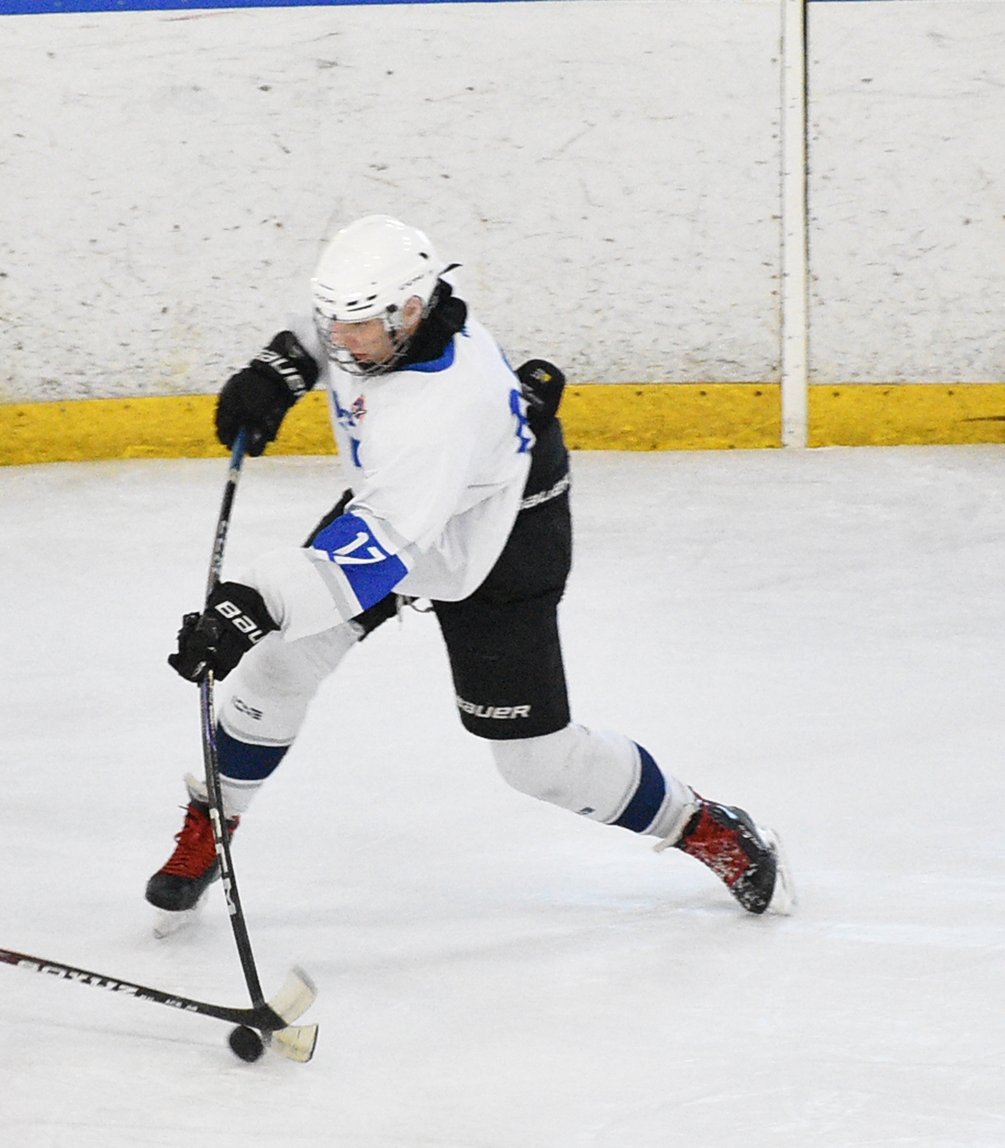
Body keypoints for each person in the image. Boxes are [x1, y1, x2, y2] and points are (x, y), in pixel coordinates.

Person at [148, 215, 792, 929]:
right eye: (338, 321)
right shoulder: (387, 331)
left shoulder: (440, 410)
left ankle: (703, 826)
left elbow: (372, 556)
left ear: (413, 310)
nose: (343, 339)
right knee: (280, 665)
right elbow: (329, 338)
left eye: (359, 325)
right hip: (401, 503)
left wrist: (244, 607)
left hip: (498, 546)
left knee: (536, 764)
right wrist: (280, 368)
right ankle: (217, 823)